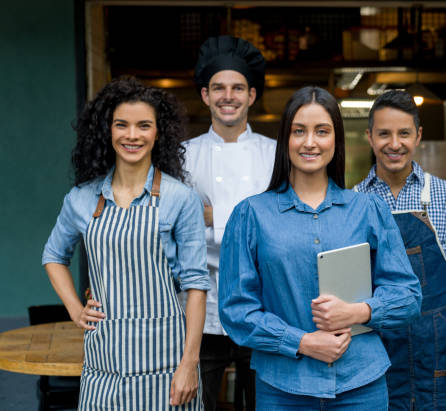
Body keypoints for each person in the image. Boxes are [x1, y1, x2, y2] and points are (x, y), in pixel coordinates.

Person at [218, 86, 422, 410]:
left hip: (362, 384)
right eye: (299, 131)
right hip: (283, 388)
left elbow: (408, 296)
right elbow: (236, 310)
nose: (310, 142)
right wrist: (301, 342)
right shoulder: (251, 215)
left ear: (336, 140)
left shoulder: (368, 210)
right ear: (285, 138)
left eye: (321, 131)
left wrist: (358, 312)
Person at [42, 77, 209, 410]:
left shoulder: (181, 199)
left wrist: (189, 364)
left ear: (158, 132)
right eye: (122, 125)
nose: (132, 135)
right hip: (103, 367)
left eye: (144, 126)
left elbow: (196, 286)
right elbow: (53, 255)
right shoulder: (81, 198)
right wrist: (76, 309)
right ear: (108, 130)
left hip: (167, 366)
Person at [355, 90, 446, 410]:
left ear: (418, 136)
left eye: (404, 133)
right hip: (376, 343)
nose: (394, 144)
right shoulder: (352, 201)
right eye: (384, 133)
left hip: (439, 343)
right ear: (369, 137)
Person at [183, 35, 275, 411]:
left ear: (251, 96)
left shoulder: (275, 153)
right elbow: (178, 228)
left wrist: (213, 217)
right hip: (201, 308)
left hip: (263, 305)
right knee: (196, 403)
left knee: (264, 403)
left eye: (237, 88)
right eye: (218, 88)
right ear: (205, 95)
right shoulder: (183, 156)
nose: (228, 96)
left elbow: (276, 227)